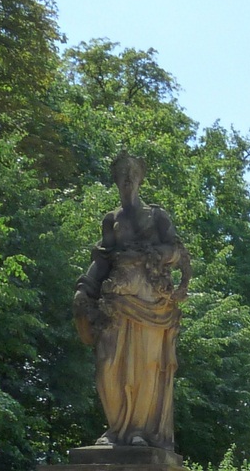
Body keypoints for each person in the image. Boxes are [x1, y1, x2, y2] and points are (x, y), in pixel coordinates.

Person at [73, 153, 190, 449]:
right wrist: (84, 289)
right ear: (115, 179)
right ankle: (116, 428)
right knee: (108, 366)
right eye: (122, 173)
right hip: (115, 300)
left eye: (132, 173)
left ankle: (138, 429)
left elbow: (178, 253)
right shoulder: (111, 220)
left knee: (145, 365)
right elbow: (101, 261)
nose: (127, 178)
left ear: (140, 178)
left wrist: (156, 255)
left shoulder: (157, 216)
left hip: (151, 301)